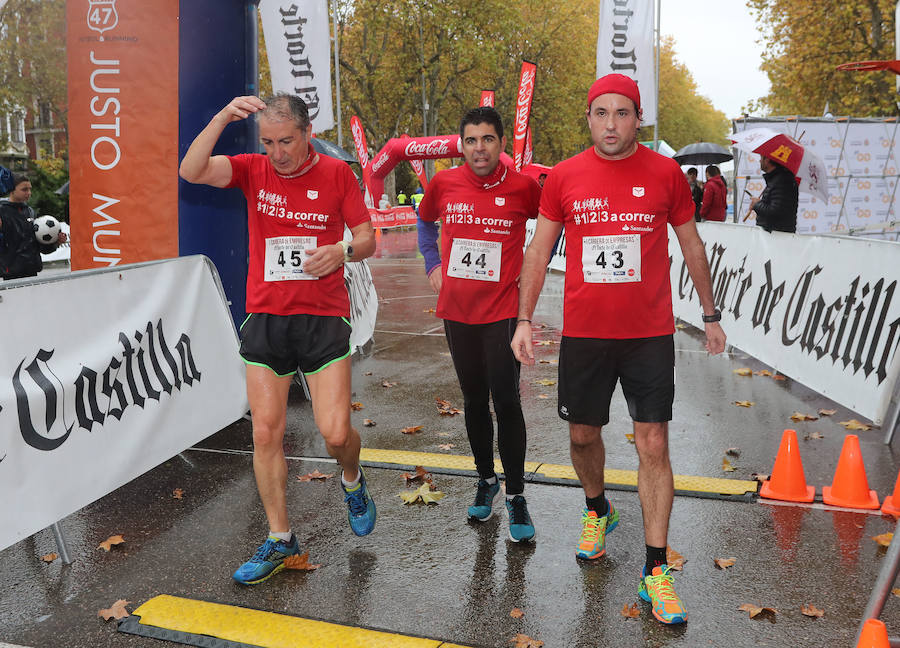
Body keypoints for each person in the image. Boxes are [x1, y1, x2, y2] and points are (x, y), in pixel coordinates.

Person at [510, 74, 726, 625]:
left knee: (652, 442)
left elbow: (692, 245)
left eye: (622, 113)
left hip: (649, 334)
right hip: (586, 333)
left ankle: (656, 570)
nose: (611, 124)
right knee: (583, 435)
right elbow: (538, 251)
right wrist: (524, 319)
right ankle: (597, 508)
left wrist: (709, 315)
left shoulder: (666, 174)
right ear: (589, 118)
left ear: (638, 118)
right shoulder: (563, 177)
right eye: (601, 113)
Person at [179, 93, 377, 585]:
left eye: (286, 141)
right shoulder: (252, 169)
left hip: (323, 318)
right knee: (265, 432)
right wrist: (224, 115)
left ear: (308, 133)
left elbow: (368, 236)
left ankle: (351, 478)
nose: (278, 153)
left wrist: (342, 250)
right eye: (268, 142)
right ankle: (281, 536)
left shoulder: (336, 175)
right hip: (266, 317)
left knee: (335, 434)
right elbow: (191, 170)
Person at [417, 106, 541, 542]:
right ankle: (486, 481)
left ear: (501, 143)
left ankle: (517, 494)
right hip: (458, 311)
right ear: (461, 144)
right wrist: (432, 262)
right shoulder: (444, 183)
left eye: (487, 139)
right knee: (473, 399)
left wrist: (530, 276)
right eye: (470, 140)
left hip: (504, 310)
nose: (479, 148)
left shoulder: (524, 188)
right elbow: (424, 220)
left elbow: (550, 228)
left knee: (506, 400)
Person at [0, 173, 68, 281]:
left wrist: (56, 243)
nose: (29, 193)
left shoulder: (30, 211)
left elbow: (40, 248)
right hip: (11, 274)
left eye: (30, 189)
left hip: (32, 271)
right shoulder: (2, 211)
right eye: (24, 189)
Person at [750, 155, 799, 233]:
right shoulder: (777, 179)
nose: (760, 161)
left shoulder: (782, 181)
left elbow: (775, 211)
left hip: (777, 237)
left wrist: (756, 204)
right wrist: (759, 203)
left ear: (767, 160)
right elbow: (776, 206)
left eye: (762, 158)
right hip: (773, 235)